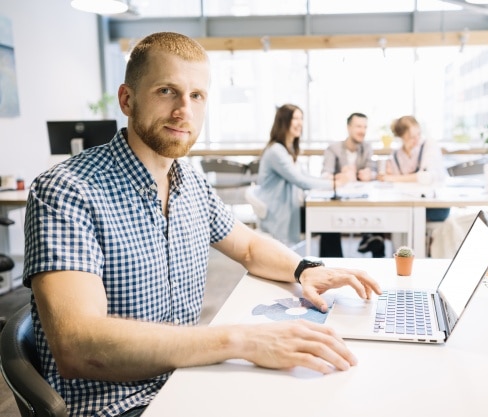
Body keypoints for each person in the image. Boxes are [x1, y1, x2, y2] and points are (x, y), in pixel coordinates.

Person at [22, 32, 381, 417]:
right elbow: (80, 346)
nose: (184, 111)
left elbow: (247, 246)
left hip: (185, 382)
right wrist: (241, 340)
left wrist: (306, 269)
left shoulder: (189, 181)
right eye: (166, 91)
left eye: (197, 96)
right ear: (127, 99)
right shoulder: (66, 190)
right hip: (116, 407)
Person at [255, 104, 342, 246]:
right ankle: (329, 264)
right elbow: (300, 181)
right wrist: (332, 185)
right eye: (295, 118)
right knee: (328, 221)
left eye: (301, 118)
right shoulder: (276, 151)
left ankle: (329, 264)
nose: (300, 123)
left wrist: (331, 180)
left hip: (290, 209)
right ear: (283, 121)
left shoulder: (287, 149)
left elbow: (304, 175)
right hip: (278, 214)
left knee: (329, 221)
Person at [321, 113, 384, 257]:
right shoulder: (333, 149)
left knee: (378, 212)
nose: (362, 131)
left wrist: (370, 175)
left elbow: (373, 171)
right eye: (358, 126)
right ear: (348, 128)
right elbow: (325, 174)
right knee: (327, 222)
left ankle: (374, 246)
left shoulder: (367, 147)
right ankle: (334, 262)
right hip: (338, 202)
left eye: (365, 127)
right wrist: (340, 176)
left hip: (361, 199)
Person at [378, 115, 450, 222]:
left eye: (419, 134)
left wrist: (392, 178)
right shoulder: (396, 156)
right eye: (411, 136)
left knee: (412, 216)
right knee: (394, 215)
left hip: (433, 205)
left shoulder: (429, 145)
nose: (417, 139)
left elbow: (426, 176)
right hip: (408, 203)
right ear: (401, 137)